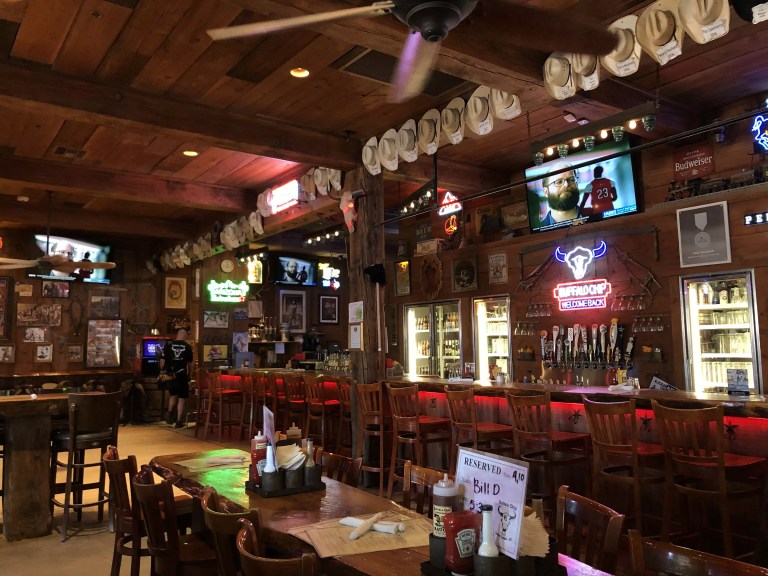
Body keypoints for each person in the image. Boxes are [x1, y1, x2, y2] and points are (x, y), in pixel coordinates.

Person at [160, 328, 193, 428]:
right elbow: (190, 363)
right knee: (182, 397)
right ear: (185, 336)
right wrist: (190, 374)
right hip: (182, 374)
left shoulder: (168, 345)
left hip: (170, 374)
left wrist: (163, 371)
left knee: (173, 394)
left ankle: (170, 412)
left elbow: (162, 360)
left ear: (177, 335)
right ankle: (179, 421)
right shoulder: (187, 346)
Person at [539, 163, 581, 227]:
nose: (566, 185)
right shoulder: (540, 228)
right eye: (559, 182)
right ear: (546, 192)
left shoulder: (594, 216)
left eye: (571, 180)